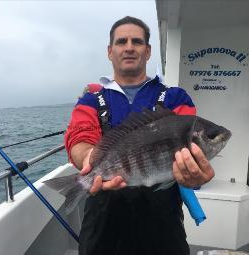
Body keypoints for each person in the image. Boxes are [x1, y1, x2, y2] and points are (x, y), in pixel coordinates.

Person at [64, 16, 214, 255]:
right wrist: (90, 158)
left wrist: (194, 171)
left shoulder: (175, 98)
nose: (129, 47)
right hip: (103, 223)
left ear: (148, 50)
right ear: (110, 51)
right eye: (122, 41)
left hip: (163, 225)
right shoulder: (91, 100)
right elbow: (79, 138)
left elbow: (188, 141)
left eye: (137, 41)